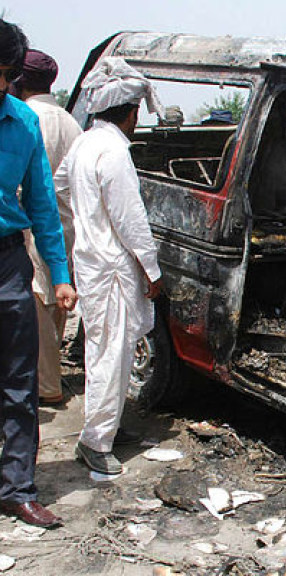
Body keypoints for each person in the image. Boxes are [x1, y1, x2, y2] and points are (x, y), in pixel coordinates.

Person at [55, 57, 164, 476]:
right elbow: (131, 220)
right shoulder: (114, 152)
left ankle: (107, 426)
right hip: (112, 265)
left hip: (91, 261)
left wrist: (85, 221)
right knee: (110, 353)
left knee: (106, 348)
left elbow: (60, 185)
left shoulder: (85, 142)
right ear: (131, 113)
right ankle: (95, 441)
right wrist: (151, 270)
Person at [0, 18, 76, 528]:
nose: (3, 84)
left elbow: (45, 206)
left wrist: (61, 272)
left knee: (19, 382)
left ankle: (17, 488)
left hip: (8, 261)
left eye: (7, 73)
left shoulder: (23, 121)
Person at [11, 49, 82, 405]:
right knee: (58, 302)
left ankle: (47, 385)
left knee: (36, 306)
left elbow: (30, 190)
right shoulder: (71, 122)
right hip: (66, 228)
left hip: (33, 230)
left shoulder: (24, 118)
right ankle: (48, 377)